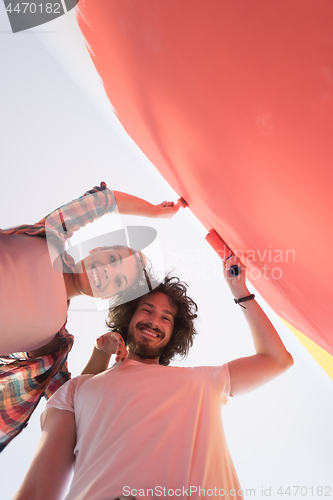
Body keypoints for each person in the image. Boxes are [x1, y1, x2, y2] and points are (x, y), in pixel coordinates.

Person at [13, 257, 294, 500]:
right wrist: (100, 354)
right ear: (129, 316)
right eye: (146, 310)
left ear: (174, 334)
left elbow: (277, 360)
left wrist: (240, 291)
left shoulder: (204, 380)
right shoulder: (77, 389)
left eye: (166, 318)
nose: (154, 321)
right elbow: (40, 486)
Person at [0, 182, 181, 450]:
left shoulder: (52, 340)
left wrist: (102, 353)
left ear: (108, 297)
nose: (109, 272)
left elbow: (68, 402)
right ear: (97, 250)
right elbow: (101, 202)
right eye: (114, 259)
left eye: (119, 281)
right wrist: (157, 213)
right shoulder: (48, 237)